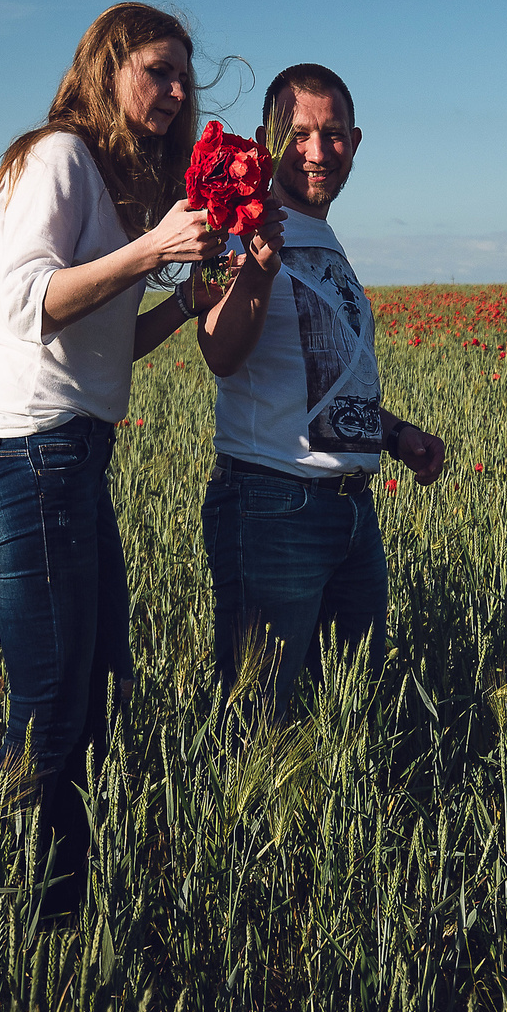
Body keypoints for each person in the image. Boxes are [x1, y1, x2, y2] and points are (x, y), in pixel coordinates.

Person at [0, 3, 260, 919]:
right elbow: (24, 308)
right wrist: (154, 249)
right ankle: (25, 915)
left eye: (181, 77)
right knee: (53, 706)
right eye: (154, 70)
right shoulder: (54, 155)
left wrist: (180, 299)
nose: (173, 92)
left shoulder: (102, 175)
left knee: (99, 691)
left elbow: (100, 346)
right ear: (105, 66)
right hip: (25, 454)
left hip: (69, 457)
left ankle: (68, 900)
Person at [196, 62, 446, 720]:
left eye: (331, 134)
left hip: (350, 515)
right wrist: (254, 268)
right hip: (273, 505)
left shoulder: (326, 240)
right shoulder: (240, 230)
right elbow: (219, 352)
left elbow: (324, 376)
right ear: (263, 139)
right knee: (261, 725)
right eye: (297, 132)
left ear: (355, 143)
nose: (315, 150)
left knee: (348, 723)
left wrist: (393, 434)